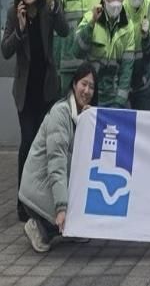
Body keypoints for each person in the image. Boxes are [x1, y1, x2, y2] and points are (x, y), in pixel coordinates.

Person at [2, 0, 69, 222]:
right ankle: (22, 201)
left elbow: (64, 30)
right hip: (25, 92)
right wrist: (19, 30)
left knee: (47, 146)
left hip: (47, 90)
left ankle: (43, 200)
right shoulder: (13, 13)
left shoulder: (46, 9)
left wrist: (56, 5)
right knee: (28, 142)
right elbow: (6, 50)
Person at [19, 62, 97, 253]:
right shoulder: (61, 113)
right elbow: (57, 164)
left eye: (91, 87)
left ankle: (68, 226)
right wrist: (62, 207)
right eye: (83, 84)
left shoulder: (84, 115)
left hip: (57, 185)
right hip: (38, 189)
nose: (86, 91)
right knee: (63, 220)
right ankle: (39, 227)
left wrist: (89, 123)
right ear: (74, 84)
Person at [74, 0, 135, 109]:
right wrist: (91, 24)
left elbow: (127, 69)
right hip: (90, 94)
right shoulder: (90, 17)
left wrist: (119, 103)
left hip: (114, 96)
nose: (115, 1)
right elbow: (77, 51)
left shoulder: (128, 26)